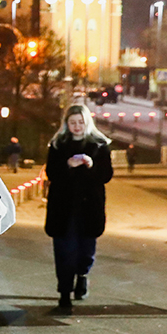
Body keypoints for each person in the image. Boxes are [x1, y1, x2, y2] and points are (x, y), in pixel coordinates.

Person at [44, 104, 113, 311]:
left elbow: (106, 175)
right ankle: (64, 293)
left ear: (87, 122)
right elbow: (51, 173)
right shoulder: (57, 145)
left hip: (89, 207)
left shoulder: (99, 145)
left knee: (85, 250)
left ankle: (82, 275)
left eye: (80, 122)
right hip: (63, 207)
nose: (77, 126)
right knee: (64, 251)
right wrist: (68, 166)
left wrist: (91, 165)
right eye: (72, 122)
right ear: (66, 124)